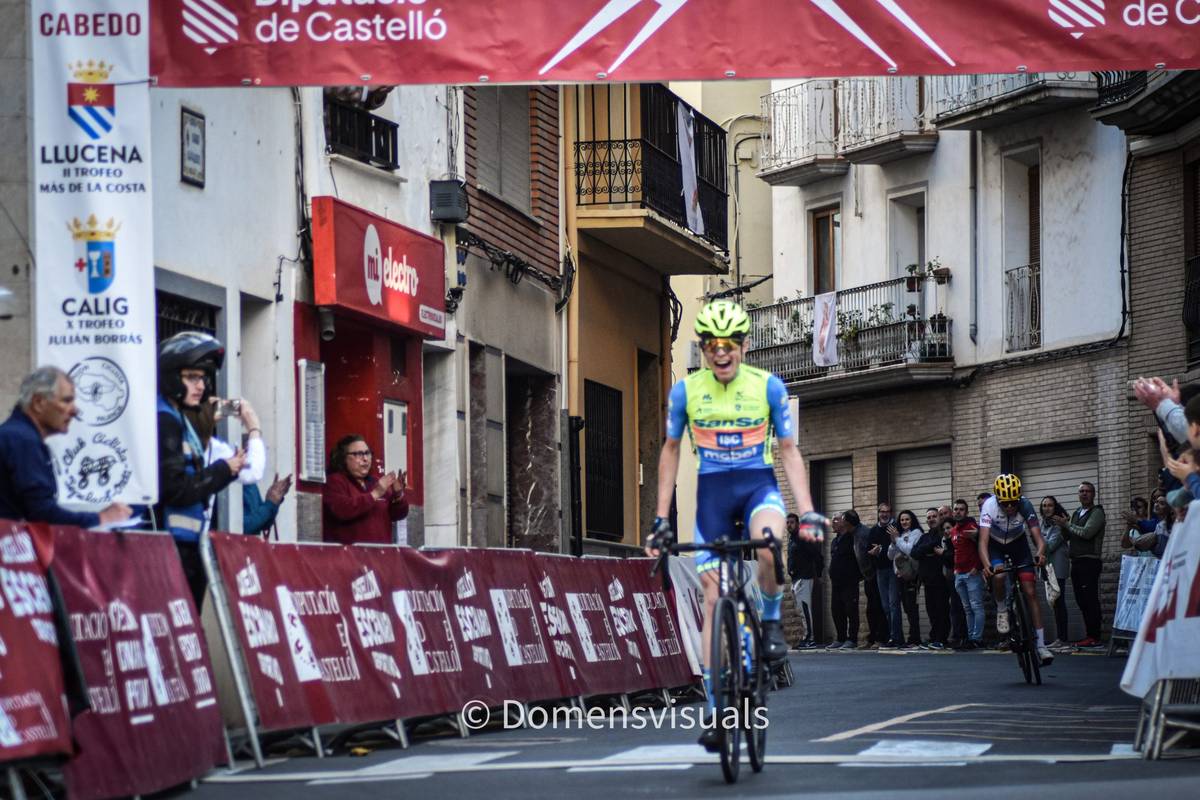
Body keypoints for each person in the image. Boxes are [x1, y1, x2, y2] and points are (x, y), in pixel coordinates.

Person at [643, 299, 827, 752]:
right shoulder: (686, 391)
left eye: (729, 345)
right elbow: (669, 452)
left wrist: (806, 511)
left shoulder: (769, 387)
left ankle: (767, 624)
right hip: (713, 497)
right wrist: (661, 519)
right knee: (713, 600)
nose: (720, 354)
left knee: (768, 545)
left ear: (744, 345)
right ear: (703, 348)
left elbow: (788, 450)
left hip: (757, 486)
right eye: (711, 346)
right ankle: (715, 712)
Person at [155, 332, 244, 606]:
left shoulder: (175, 418)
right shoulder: (165, 421)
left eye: (203, 378)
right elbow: (176, 489)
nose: (201, 386)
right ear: (171, 377)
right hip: (170, 550)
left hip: (183, 547)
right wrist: (223, 470)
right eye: (191, 377)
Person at [0, 366, 131, 528]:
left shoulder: (14, 436)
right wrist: (101, 518)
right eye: (66, 401)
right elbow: (41, 514)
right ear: (39, 403)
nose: (75, 410)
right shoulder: (23, 441)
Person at [979, 474, 1054, 665]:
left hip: (1018, 544)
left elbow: (1038, 537)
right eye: (1005, 503)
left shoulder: (1025, 505)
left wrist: (1040, 553)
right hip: (995, 545)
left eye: (1013, 502)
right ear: (998, 499)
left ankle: (1041, 646)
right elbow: (983, 542)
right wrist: (986, 564)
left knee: (1030, 592)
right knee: (999, 574)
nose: (1010, 507)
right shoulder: (989, 506)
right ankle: (1002, 608)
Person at [1049, 481, 1106, 648]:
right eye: (1082, 491)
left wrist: (1066, 524)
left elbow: (1087, 533)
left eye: (1088, 491)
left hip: (1090, 561)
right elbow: (1069, 536)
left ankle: (1095, 637)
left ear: (1093, 494)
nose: (1084, 494)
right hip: (1076, 561)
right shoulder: (1076, 513)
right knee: (1081, 600)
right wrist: (1061, 526)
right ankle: (1089, 635)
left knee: (1090, 599)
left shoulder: (1097, 513)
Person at [322, 434, 409, 544]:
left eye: (367, 453)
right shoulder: (334, 481)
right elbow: (342, 510)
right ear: (343, 458)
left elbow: (398, 515)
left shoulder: (376, 482)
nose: (365, 459)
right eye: (358, 454)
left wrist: (398, 495)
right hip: (349, 556)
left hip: (380, 555)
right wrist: (375, 494)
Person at [948, 499, 985, 650]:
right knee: (967, 608)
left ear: (967, 512)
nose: (958, 512)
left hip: (972, 573)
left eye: (961, 509)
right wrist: (956, 570)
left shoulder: (972, 526)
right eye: (956, 509)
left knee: (976, 606)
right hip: (959, 574)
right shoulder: (953, 530)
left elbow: (982, 547)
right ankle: (970, 638)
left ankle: (977, 638)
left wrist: (977, 567)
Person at [848, 508, 887, 648]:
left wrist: (871, 573)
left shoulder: (864, 533)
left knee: (877, 607)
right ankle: (872, 638)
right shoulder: (854, 533)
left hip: (874, 575)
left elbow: (870, 554)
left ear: (848, 523)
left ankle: (880, 638)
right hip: (867, 576)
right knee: (870, 608)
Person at [867, 502, 903, 649]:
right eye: (882, 512)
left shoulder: (894, 528)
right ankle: (891, 636)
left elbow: (900, 545)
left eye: (887, 512)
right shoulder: (874, 530)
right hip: (880, 571)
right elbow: (868, 550)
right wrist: (872, 553)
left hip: (894, 570)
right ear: (878, 513)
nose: (884, 514)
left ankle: (897, 638)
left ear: (891, 513)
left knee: (894, 605)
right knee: (885, 606)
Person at [887, 509, 924, 649]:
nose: (904, 522)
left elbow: (909, 550)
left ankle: (915, 638)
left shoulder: (916, 533)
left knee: (911, 608)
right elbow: (890, 556)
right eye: (902, 520)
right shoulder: (899, 535)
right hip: (898, 576)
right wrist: (892, 543)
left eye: (907, 519)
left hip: (911, 576)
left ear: (912, 520)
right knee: (904, 607)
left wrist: (897, 539)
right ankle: (904, 638)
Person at [786, 511, 824, 648]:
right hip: (796, 579)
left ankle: (810, 638)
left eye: (792, 522)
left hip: (804, 578)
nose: (789, 525)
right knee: (801, 610)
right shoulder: (792, 538)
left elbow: (818, 556)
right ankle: (806, 637)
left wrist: (818, 574)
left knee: (805, 609)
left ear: (798, 524)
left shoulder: (803, 538)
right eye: (787, 523)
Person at [1040, 496, 1071, 652]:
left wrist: (1039, 540)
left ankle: (1063, 639)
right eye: (1044, 505)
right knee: (1054, 603)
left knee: (1059, 602)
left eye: (1050, 505)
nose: (1047, 508)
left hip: (1057, 567)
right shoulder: (1043, 524)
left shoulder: (1058, 525)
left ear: (1055, 507)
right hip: (1047, 567)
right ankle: (1059, 638)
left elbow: (1049, 545)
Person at [827, 512, 862, 650]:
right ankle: (840, 638)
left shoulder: (852, 538)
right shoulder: (835, 541)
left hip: (849, 581)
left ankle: (852, 639)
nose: (832, 523)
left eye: (835, 520)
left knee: (851, 610)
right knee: (836, 610)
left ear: (843, 522)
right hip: (836, 583)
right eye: (832, 520)